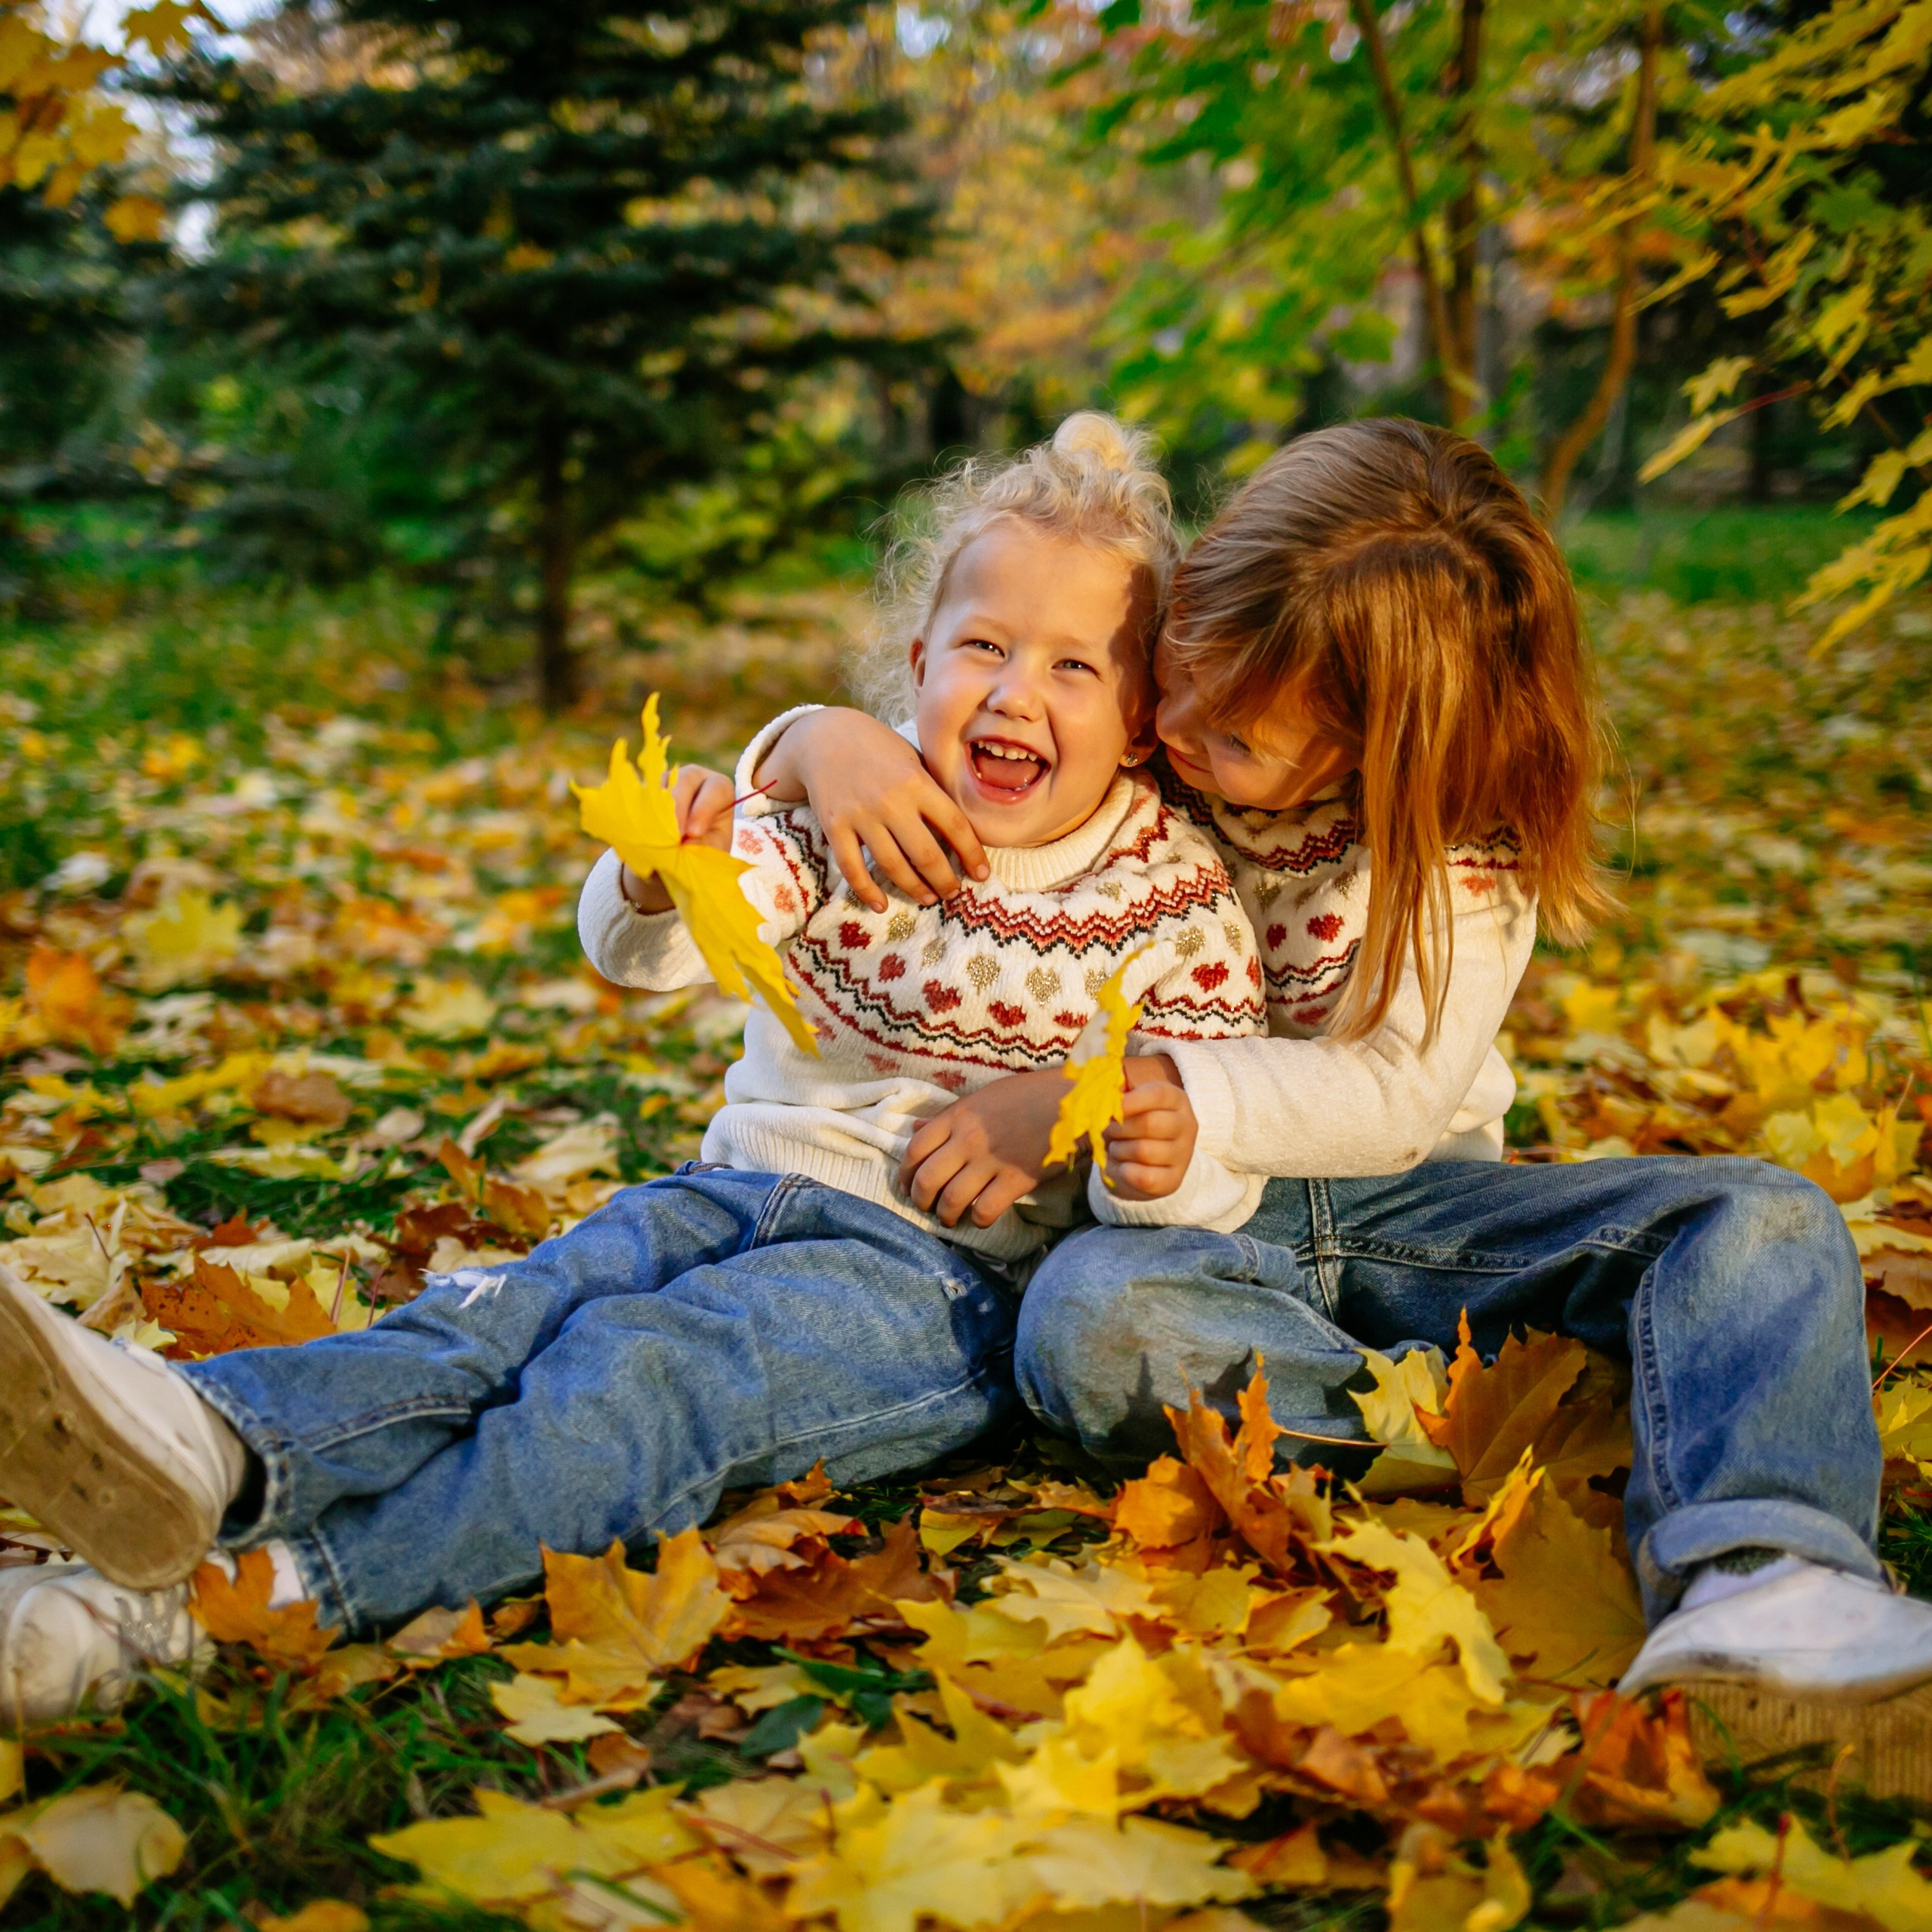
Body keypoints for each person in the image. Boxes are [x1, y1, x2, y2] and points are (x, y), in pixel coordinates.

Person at [0, 414, 1266, 1722]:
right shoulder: (858, 806)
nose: (1014, 694)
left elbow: (1201, 1170)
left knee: (642, 1377)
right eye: (986, 648)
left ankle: (226, 1607)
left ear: (1139, 724)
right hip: (728, 1192)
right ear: (920, 661)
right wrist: (662, 870)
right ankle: (203, 1441)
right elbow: (642, 955)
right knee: (514, 1309)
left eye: (1073, 668)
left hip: (940, 1282)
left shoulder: (1172, 902)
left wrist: (1114, 1133)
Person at [739, 417, 1932, 1747]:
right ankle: (1495, 1409)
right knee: (1087, 1330)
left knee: (1761, 1218)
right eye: (1179, 673)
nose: (1174, 731)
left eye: (1237, 736)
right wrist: (816, 734)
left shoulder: (1462, 863)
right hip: (1183, 1230)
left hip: (1406, 1211)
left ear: (1381, 753)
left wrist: (1106, 1086)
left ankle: (1769, 1574)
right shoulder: (1170, 732)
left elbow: (1397, 1098)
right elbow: (984, 698)